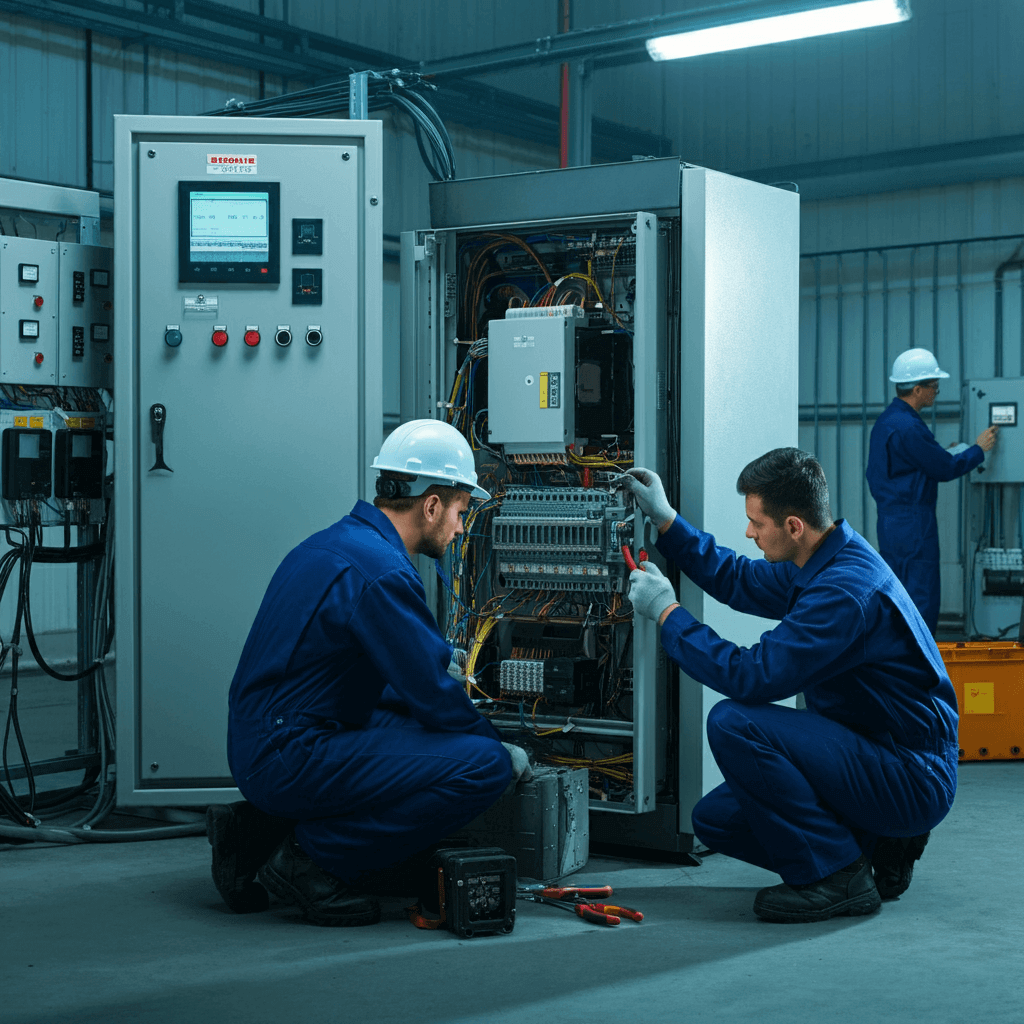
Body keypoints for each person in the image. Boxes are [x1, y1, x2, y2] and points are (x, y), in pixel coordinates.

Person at [206, 419, 530, 926]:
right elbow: (433, 692)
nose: (461, 528)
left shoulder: (333, 543)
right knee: (481, 765)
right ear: (430, 505)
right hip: (289, 754)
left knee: (411, 726)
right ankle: (312, 861)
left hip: (262, 743)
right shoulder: (381, 573)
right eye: (461, 512)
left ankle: (253, 835)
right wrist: (498, 747)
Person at [621, 449, 959, 923]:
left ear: (794, 525)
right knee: (715, 821)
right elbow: (738, 578)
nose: (749, 533)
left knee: (735, 722)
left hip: (909, 774)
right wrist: (666, 520)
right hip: (877, 751)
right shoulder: (823, 557)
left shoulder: (842, 593)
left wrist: (667, 613)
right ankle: (875, 850)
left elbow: (750, 676)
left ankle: (839, 878)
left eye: (757, 523)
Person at [866, 348, 998, 634]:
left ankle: (895, 662)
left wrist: (942, 454)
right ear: (917, 389)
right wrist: (978, 450)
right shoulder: (910, 427)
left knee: (896, 594)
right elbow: (944, 470)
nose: (937, 391)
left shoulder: (886, 422)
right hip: (915, 524)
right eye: (934, 386)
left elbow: (899, 467)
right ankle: (921, 669)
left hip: (891, 523)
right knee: (921, 595)